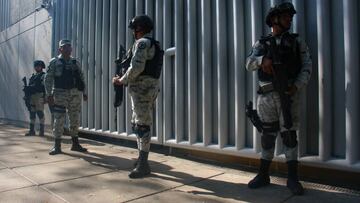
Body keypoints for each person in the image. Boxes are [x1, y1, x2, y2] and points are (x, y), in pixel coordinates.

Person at [245, 2, 312, 195]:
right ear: (274, 19)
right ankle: (263, 174)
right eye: (285, 16)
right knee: (267, 135)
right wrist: (261, 61)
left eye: (290, 17)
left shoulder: (296, 41)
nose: (289, 19)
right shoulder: (261, 43)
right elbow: (248, 63)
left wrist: (296, 86)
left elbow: (307, 66)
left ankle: (292, 178)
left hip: (288, 95)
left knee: (289, 136)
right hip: (266, 96)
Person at [112, 15, 162, 178]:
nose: (133, 32)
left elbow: (137, 66)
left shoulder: (142, 43)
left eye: (134, 29)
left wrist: (121, 80)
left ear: (139, 28)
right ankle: (142, 158)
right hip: (144, 88)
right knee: (137, 124)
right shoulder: (150, 43)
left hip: (142, 88)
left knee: (142, 125)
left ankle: (143, 164)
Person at [44, 39, 88, 155]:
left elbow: (81, 77)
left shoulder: (75, 62)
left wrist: (84, 92)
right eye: (65, 47)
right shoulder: (54, 62)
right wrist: (49, 95)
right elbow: (48, 79)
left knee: (75, 118)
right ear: (60, 49)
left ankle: (75, 144)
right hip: (60, 94)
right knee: (59, 119)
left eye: (69, 46)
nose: (68, 49)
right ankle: (57, 146)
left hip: (75, 94)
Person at [25, 60, 46, 136]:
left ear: (42, 67)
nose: (37, 67)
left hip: (39, 95)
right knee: (32, 113)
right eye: (36, 66)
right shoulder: (33, 76)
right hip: (32, 96)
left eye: (39, 66)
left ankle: (42, 131)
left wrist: (45, 97)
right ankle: (31, 130)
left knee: (40, 112)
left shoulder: (43, 75)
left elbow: (44, 87)